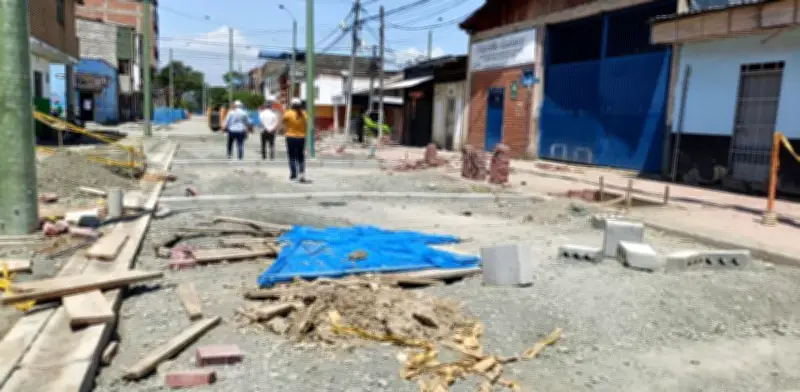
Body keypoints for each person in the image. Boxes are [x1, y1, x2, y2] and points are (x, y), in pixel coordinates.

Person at [283, 98, 310, 183]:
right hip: (301, 138)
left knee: (292, 157)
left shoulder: (288, 113)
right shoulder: (304, 114)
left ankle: (293, 174)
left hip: (290, 137)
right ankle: (301, 173)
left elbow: (283, 121)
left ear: (292, 105)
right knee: (300, 157)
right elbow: (307, 122)